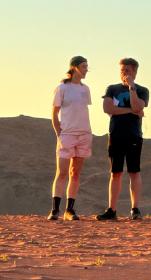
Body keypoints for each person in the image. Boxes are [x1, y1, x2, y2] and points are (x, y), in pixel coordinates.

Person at [96, 58, 149, 221]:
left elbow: (139, 106)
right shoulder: (112, 89)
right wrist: (132, 110)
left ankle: (135, 209)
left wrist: (132, 88)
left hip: (134, 135)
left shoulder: (142, 90)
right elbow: (108, 108)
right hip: (116, 134)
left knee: (134, 171)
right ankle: (112, 209)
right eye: (121, 70)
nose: (123, 73)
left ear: (134, 71)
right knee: (116, 172)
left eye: (127, 70)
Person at [47, 56, 92, 221]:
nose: (87, 69)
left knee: (76, 173)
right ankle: (55, 210)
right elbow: (54, 112)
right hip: (67, 134)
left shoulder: (85, 89)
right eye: (84, 66)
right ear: (74, 67)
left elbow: (82, 109)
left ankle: (70, 210)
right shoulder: (62, 88)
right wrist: (58, 131)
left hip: (84, 133)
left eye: (87, 66)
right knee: (62, 172)